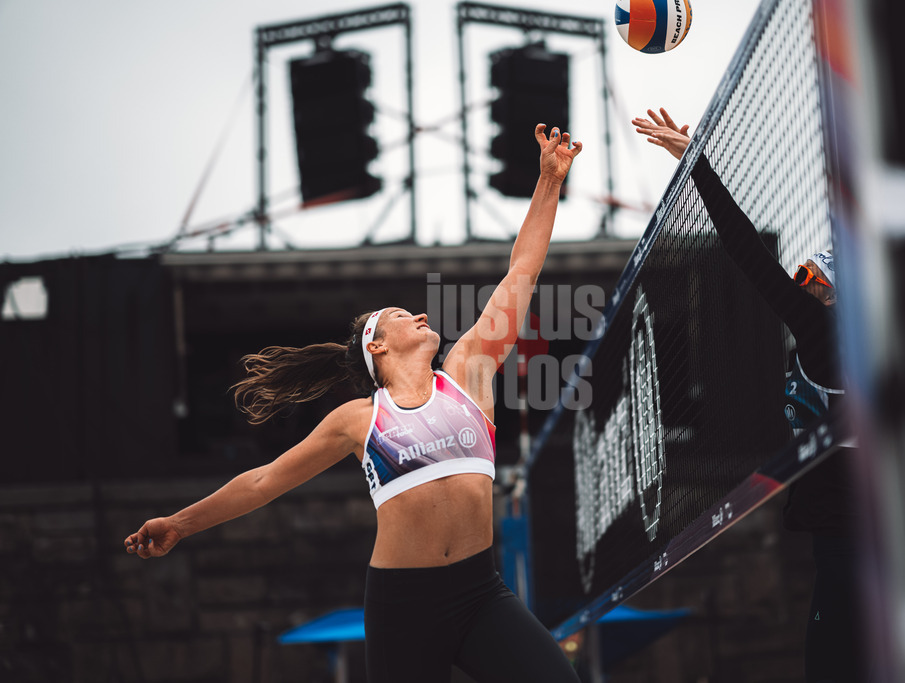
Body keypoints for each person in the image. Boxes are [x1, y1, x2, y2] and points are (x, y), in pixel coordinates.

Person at [125, 123, 583, 683]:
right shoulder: (360, 419)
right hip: (404, 605)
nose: (419, 314)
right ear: (378, 345)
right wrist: (179, 522)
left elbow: (522, 270)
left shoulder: (468, 373)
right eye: (398, 314)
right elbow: (264, 482)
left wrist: (549, 182)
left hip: (481, 592)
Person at [633, 108, 866, 683]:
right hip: (839, 530)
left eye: (812, 279)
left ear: (837, 297)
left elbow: (747, 256)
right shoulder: (819, 350)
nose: (798, 283)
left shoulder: (827, 336)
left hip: (855, 535)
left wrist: (697, 167)